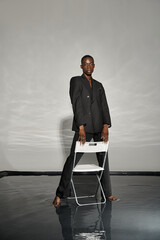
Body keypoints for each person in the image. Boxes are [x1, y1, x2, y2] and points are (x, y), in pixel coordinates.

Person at [53, 55, 118, 207]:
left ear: (94, 66)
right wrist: (81, 126)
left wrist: (106, 125)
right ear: (81, 66)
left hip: (99, 127)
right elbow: (76, 103)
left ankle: (107, 194)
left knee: (104, 160)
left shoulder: (99, 85)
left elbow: (104, 106)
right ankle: (59, 194)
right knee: (72, 160)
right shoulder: (76, 81)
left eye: (91, 64)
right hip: (84, 128)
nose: (88, 66)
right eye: (85, 64)